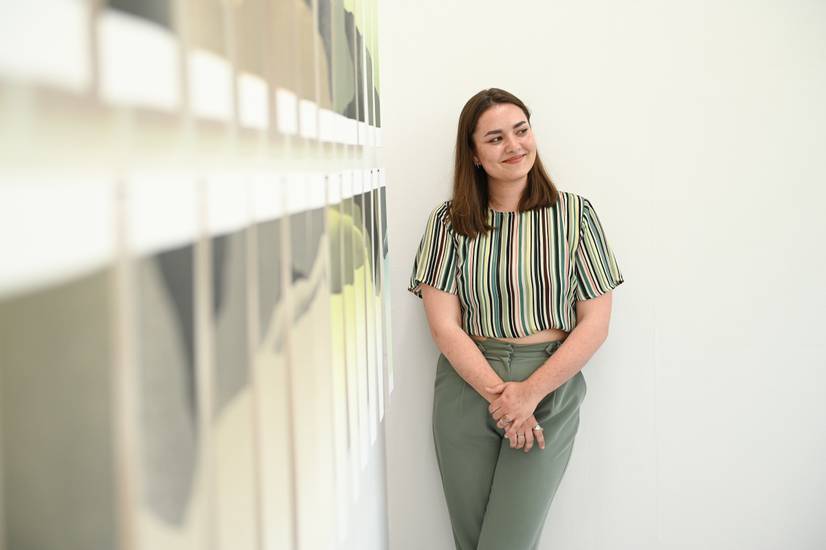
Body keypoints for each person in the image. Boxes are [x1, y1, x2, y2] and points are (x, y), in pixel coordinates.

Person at [408, 88, 624, 550]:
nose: (514, 146)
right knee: (472, 542)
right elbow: (444, 325)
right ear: (474, 154)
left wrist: (528, 394)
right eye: (495, 138)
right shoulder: (449, 222)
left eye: (521, 130)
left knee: (508, 542)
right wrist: (503, 398)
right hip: (468, 386)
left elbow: (595, 323)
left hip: (549, 383)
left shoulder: (576, 215)